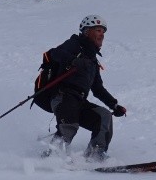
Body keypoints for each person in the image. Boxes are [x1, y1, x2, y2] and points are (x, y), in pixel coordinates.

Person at [34, 14, 127, 160]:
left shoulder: (92, 61)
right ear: (86, 31)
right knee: (70, 123)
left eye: (103, 31)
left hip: (79, 100)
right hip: (62, 95)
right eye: (98, 30)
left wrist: (114, 105)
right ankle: (52, 157)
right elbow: (54, 53)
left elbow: (98, 89)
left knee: (104, 117)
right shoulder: (74, 44)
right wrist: (73, 60)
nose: (102, 34)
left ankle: (95, 155)